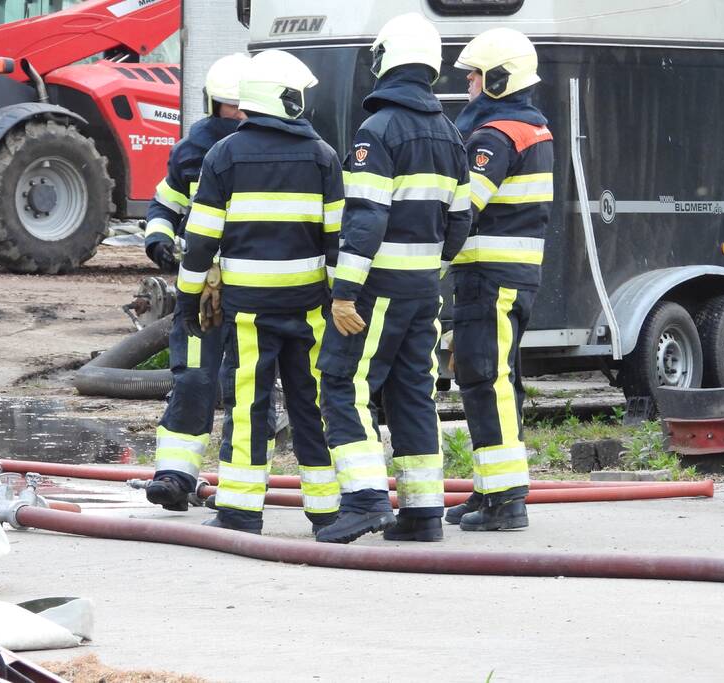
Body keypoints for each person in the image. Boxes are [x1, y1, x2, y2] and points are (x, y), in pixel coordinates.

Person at [314, 13, 472, 544]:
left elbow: (366, 219)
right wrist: (430, 269)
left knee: (342, 383)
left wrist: (344, 292)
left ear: (386, 61)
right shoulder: (452, 134)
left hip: (375, 289)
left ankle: (363, 501)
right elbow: (461, 220)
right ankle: (423, 513)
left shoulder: (377, 130)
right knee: (412, 394)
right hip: (423, 291)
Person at [176, 49, 343, 534]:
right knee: (311, 406)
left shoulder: (223, 155)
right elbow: (337, 241)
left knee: (248, 407)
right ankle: (326, 509)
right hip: (309, 307)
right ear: (285, 99)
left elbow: (202, 240)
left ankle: (241, 511)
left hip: (248, 311)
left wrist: (189, 299)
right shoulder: (323, 156)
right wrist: (338, 300)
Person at [444, 28, 553, 532]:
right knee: (491, 380)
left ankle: (507, 500)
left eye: (474, 75)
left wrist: (428, 260)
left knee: (489, 380)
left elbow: (463, 209)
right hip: (503, 278)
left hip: (490, 278)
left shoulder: (495, 134)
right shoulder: (529, 128)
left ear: (498, 79)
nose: (467, 82)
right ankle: (489, 491)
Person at [143, 53, 253, 512]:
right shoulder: (192, 149)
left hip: (255, 290)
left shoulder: (273, 148)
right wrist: (158, 240)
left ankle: (238, 484)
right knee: (192, 380)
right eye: (231, 108)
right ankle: (175, 475)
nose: (239, 116)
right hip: (200, 288)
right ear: (214, 104)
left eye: (244, 107)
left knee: (245, 385)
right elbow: (165, 203)